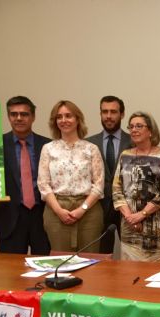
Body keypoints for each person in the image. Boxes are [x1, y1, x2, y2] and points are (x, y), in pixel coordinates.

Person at [37, 100, 104, 252]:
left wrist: (82, 209)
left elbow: (99, 185)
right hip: (56, 210)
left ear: (78, 119)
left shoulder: (91, 149)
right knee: (61, 262)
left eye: (68, 116)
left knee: (90, 262)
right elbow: (43, 184)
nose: (64, 120)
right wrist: (59, 210)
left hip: (89, 211)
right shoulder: (48, 149)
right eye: (59, 117)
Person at [112, 112, 160, 261]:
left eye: (139, 126)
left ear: (150, 131)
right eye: (131, 126)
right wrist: (130, 218)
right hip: (130, 230)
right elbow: (116, 189)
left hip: (157, 231)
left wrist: (141, 215)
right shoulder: (124, 156)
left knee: (158, 279)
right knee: (130, 277)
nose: (134, 130)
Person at [0, 96, 51, 254]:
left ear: (33, 117)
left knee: (46, 267)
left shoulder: (48, 145)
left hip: (42, 216)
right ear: (8, 117)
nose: (19, 118)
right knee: (12, 272)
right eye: (13, 114)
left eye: (24, 114)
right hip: (9, 218)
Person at [87, 96, 132, 254]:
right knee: (100, 256)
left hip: (128, 209)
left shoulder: (134, 142)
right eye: (104, 112)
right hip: (98, 208)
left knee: (131, 255)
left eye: (113, 112)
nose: (108, 116)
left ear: (122, 114)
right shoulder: (89, 144)